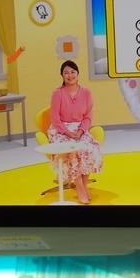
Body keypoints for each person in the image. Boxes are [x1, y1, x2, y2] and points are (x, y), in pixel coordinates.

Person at [48, 60, 102, 204]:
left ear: (78, 74)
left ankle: (84, 184)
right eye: (66, 72)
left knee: (90, 149)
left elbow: (88, 116)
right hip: (61, 130)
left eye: (73, 72)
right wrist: (67, 133)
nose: (70, 75)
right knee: (73, 152)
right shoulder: (57, 93)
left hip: (80, 129)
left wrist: (81, 131)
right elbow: (54, 118)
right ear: (62, 75)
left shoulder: (86, 93)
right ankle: (79, 186)